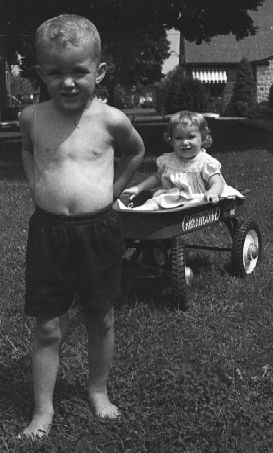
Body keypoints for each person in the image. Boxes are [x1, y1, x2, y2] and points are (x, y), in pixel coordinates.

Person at [19, 14, 145, 439]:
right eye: (55, 72)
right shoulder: (32, 118)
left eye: (79, 71)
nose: (68, 82)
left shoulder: (110, 119)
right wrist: (37, 183)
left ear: (100, 71)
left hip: (99, 232)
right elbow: (27, 149)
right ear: (41, 73)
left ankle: (97, 389)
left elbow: (136, 151)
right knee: (47, 325)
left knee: (100, 316)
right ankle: (42, 409)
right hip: (49, 235)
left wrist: (112, 192)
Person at [122, 110, 241, 210]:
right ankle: (139, 213)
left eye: (191, 137)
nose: (185, 143)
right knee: (154, 201)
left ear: (203, 137)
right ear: (171, 140)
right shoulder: (168, 160)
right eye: (179, 138)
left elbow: (217, 182)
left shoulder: (205, 162)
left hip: (198, 199)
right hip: (173, 197)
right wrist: (139, 188)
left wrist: (213, 192)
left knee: (179, 204)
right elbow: (157, 178)